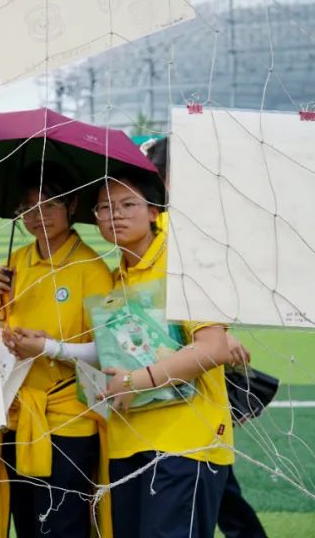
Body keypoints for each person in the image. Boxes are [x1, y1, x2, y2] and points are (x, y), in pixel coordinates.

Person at [94, 170, 234, 538]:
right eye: (105, 208)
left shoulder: (185, 261)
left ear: (154, 211)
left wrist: (136, 380)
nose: (115, 214)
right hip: (127, 445)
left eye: (128, 204)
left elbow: (213, 347)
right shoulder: (114, 278)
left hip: (185, 444)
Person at [142, 138, 267, 538]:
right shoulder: (159, 226)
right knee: (216, 484)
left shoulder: (188, 228)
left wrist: (219, 335)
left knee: (212, 481)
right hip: (174, 383)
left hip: (190, 386)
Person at [0, 164, 114, 537]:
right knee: (26, 523)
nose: (38, 215)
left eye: (50, 204)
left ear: (72, 205)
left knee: (63, 526)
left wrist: (48, 348)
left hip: (68, 420)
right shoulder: (15, 264)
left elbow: (109, 351)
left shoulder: (92, 269)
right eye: (28, 207)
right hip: (17, 415)